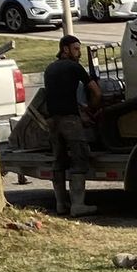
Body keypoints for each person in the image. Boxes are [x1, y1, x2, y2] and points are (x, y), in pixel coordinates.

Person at [41, 34, 101, 219]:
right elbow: (95, 91)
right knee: (79, 158)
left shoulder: (49, 69)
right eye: (75, 49)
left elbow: (56, 94)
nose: (79, 52)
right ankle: (78, 205)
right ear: (65, 49)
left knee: (58, 160)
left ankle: (60, 204)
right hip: (69, 120)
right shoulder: (74, 67)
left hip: (52, 121)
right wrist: (93, 108)